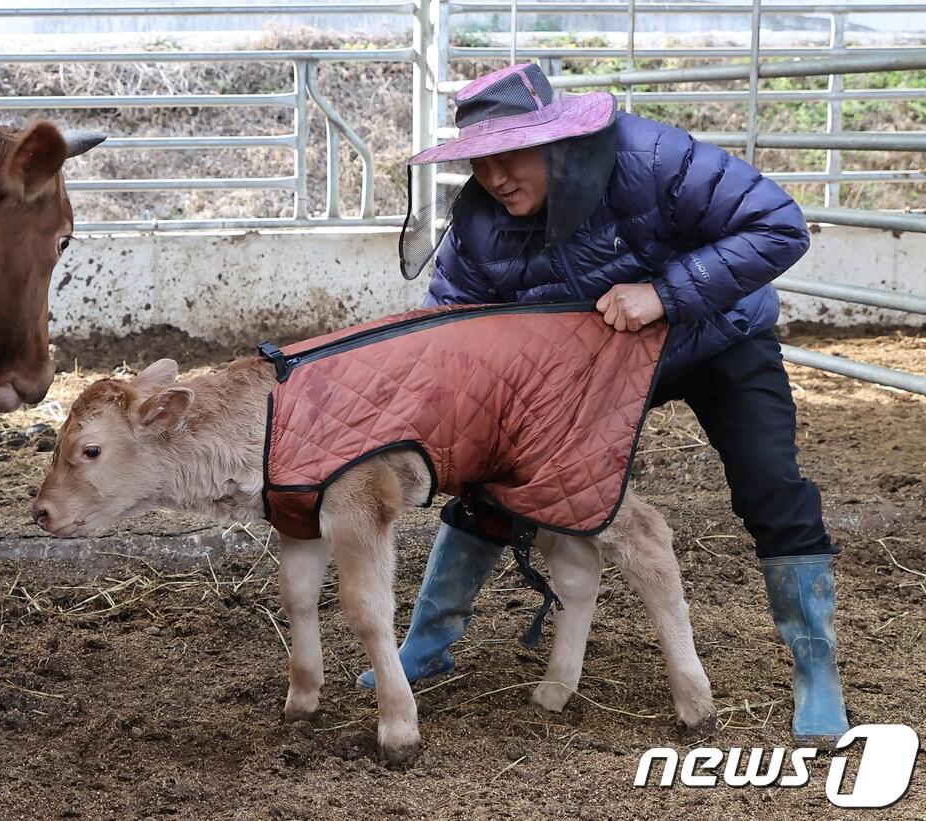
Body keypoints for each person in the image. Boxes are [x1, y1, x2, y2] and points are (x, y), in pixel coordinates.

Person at [360, 62, 848, 742]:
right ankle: (429, 640)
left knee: (769, 482)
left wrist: (665, 294)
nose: (495, 178)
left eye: (511, 155)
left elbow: (777, 224)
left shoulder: (650, 159)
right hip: (592, 368)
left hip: (712, 338)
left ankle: (815, 666)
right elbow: (451, 323)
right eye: (480, 161)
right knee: (498, 466)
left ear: (557, 139)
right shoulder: (479, 221)